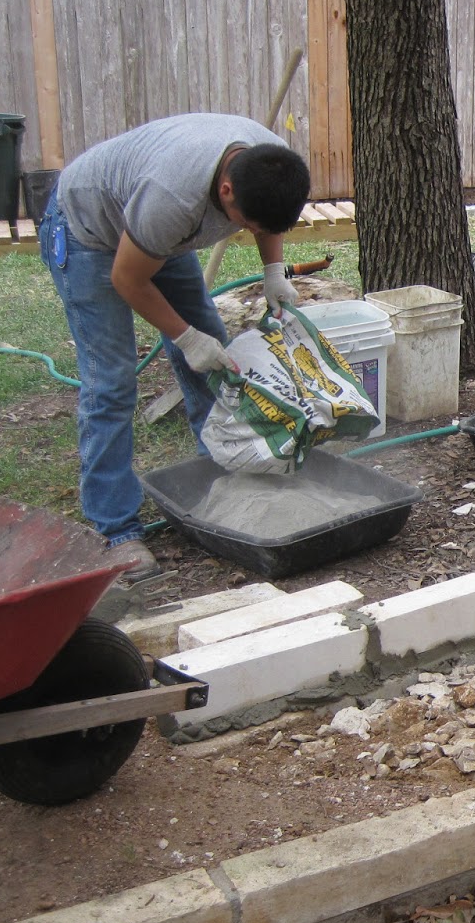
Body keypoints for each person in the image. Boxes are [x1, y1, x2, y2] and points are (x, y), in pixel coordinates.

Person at [39, 113, 312, 579]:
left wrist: (273, 271)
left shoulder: (272, 164)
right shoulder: (172, 197)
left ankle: (224, 474)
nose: (251, 231)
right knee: (112, 382)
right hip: (89, 232)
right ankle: (116, 530)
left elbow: (268, 220)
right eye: (245, 224)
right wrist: (185, 338)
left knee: (215, 360)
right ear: (226, 190)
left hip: (157, 235)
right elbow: (128, 279)